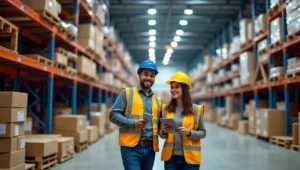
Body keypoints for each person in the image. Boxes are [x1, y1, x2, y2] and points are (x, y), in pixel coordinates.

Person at [109, 59, 162, 170]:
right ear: (139, 75)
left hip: (150, 148)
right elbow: (113, 115)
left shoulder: (157, 101)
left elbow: (158, 125)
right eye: (145, 74)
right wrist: (133, 124)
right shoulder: (127, 93)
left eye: (152, 75)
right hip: (131, 148)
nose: (148, 78)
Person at [159, 71, 206, 170]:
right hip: (171, 158)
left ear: (184, 89)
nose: (173, 90)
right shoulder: (166, 109)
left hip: (190, 159)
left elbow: (203, 133)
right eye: (171, 87)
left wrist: (189, 132)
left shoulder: (197, 110)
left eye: (177, 87)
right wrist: (164, 131)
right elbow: (161, 135)